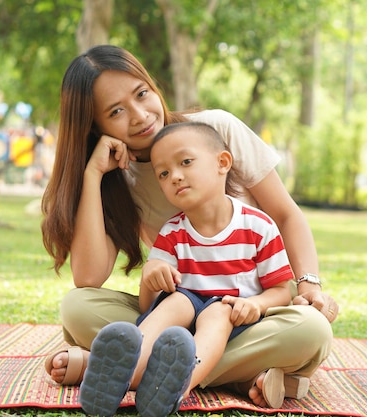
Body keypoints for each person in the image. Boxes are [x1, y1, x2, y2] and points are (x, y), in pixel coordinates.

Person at [41, 44, 338, 408]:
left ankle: (123, 370)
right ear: (95, 126)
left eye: (141, 94)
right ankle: (239, 377)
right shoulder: (117, 176)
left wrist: (309, 284)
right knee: (78, 307)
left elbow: (286, 214)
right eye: (116, 111)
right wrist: (93, 174)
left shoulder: (215, 130)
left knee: (311, 331)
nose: (139, 115)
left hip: (250, 312)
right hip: (177, 313)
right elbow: (88, 278)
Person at [78, 121, 296, 417]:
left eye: (186, 162)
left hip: (233, 317)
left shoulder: (258, 227)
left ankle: (176, 386)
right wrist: (150, 280)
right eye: (164, 174)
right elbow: (148, 306)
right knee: (176, 301)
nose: (175, 177)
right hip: (179, 324)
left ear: (222, 163)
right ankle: (123, 375)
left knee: (219, 312)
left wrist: (255, 304)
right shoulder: (172, 233)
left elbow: (283, 289)